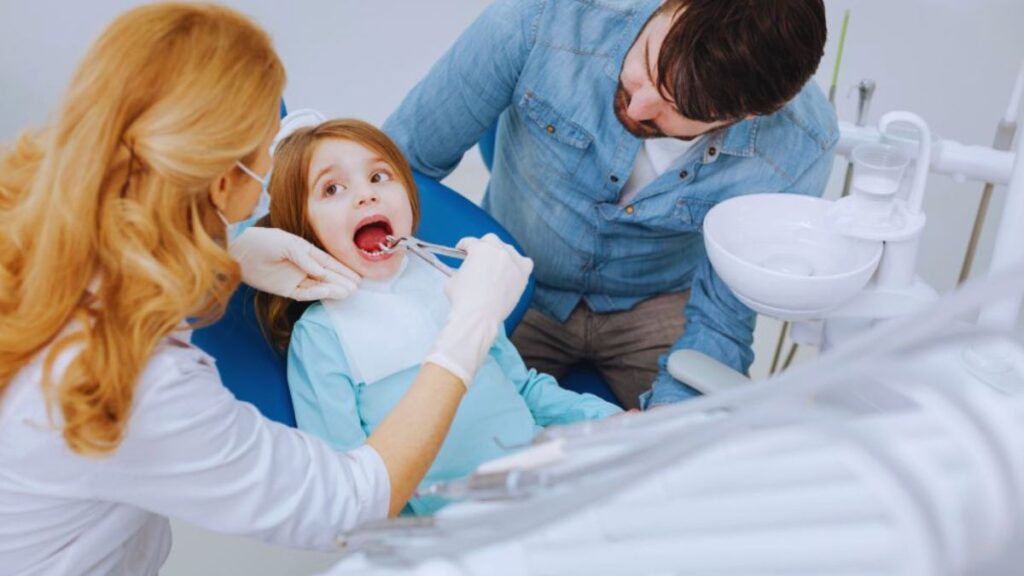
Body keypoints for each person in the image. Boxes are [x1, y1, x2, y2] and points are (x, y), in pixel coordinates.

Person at [0, 5, 531, 575]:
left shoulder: (27, 219)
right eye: (266, 149)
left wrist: (225, 262)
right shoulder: (137, 386)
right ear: (228, 179)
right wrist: (465, 334)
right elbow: (350, 506)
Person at [380, 0, 839, 409]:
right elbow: (401, 165)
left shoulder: (800, 147)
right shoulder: (541, 17)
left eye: (674, 107)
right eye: (646, 64)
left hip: (659, 305)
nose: (637, 107)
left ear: (747, 114)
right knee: (429, 427)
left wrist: (665, 421)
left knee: (691, 463)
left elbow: (721, 319)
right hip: (512, 278)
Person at [252, 118, 622, 515]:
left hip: (543, 475)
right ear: (300, 229)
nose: (366, 196)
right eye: (332, 189)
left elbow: (523, 388)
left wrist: (606, 418)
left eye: (379, 176)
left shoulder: (450, 279)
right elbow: (347, 479)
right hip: (459, 519)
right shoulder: (322, 336)